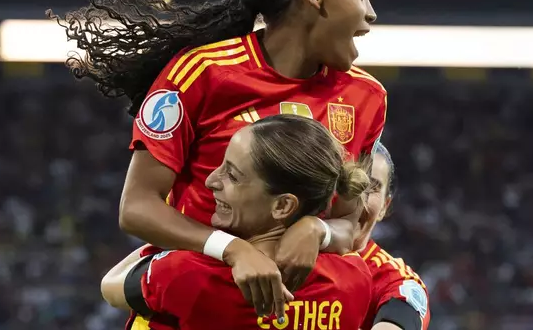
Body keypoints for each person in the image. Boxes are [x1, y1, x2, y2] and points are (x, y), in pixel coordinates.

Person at [46, 0, 386, 316]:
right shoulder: (201, 74)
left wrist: (316, 230)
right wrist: (231, 248)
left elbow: (349, 224)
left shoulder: (366, 97)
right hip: (194, 299)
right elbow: (137, 207)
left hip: (289, 313)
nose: (371, 13)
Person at [100, 115, 373, 330]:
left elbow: (111, 285)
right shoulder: (355, 278)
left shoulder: (188, 275)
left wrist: (221, 244)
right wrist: (315, 227)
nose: (211, 181)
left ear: (282, 206)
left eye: (232, 175)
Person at [355, 143, 431, 330]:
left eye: (372, 187)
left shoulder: (396, 281)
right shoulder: (280, 254)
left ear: (384, 206)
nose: (358, 198)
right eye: (350, 182)